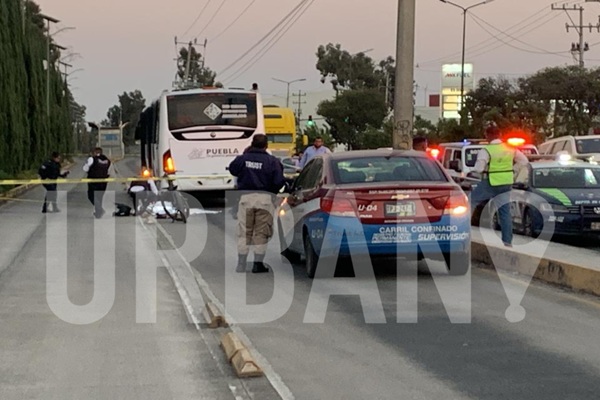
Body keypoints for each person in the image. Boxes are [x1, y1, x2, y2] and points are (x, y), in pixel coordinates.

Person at [229, 134, 285, 273]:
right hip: (265, 199)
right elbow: (279, 181)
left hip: (246, 198)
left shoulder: (243, 159)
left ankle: (241, 263)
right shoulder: (272, 161)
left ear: (252, 144)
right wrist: (272, 192)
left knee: (244, 232)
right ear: (266, 146)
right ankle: (257, 264)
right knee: (261, 232)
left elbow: (232, 169)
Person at [472, 125, 529, 247]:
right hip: (506, 182)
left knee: (469, 202)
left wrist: (484, 169)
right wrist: (512, 170)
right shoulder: (510, 148)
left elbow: (479, 169)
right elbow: (524, 161)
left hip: (491, 182)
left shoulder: (486, 150)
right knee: (504, 212)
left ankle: (463, 231)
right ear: (499, 135)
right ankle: (507, 241)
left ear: (488, 135)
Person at [83, 147, 112, 219]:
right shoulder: (107, 160)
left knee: (91, 196)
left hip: (93, 181)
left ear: (95, 153)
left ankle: (100, 210)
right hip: (103, 182)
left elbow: (85, 168)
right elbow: (109, 171)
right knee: (99, 197)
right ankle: (98, 213)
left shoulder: (92, 159)